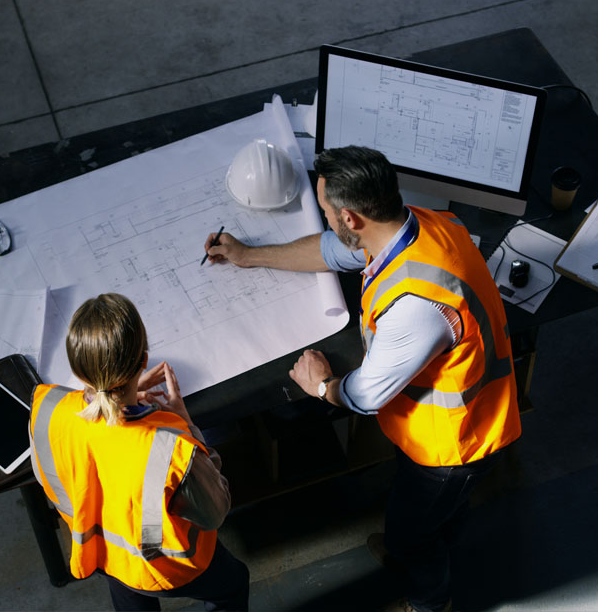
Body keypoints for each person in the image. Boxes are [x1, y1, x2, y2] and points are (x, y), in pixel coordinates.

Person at [204, 146, 521, 612]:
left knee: (411, 535)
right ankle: (437, 539)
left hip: (455, 445)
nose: (326, 219)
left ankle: (431, 602)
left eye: (327, 211)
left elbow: (366, 395)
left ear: (351, 217)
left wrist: (320, 384)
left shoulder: (418, 306)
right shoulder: (420, 225)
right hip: (470, 419)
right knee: (439, 516)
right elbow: (332, 251)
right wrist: (248, 256)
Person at [28, 293, 249, 611]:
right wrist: (185, 423)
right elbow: (215, 512)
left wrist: (121, 397)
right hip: (165, 570)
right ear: (143, 359)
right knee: (232, 586)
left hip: (102, 554)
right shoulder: (171, 449)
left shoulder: (48, 408)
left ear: (78, 369)